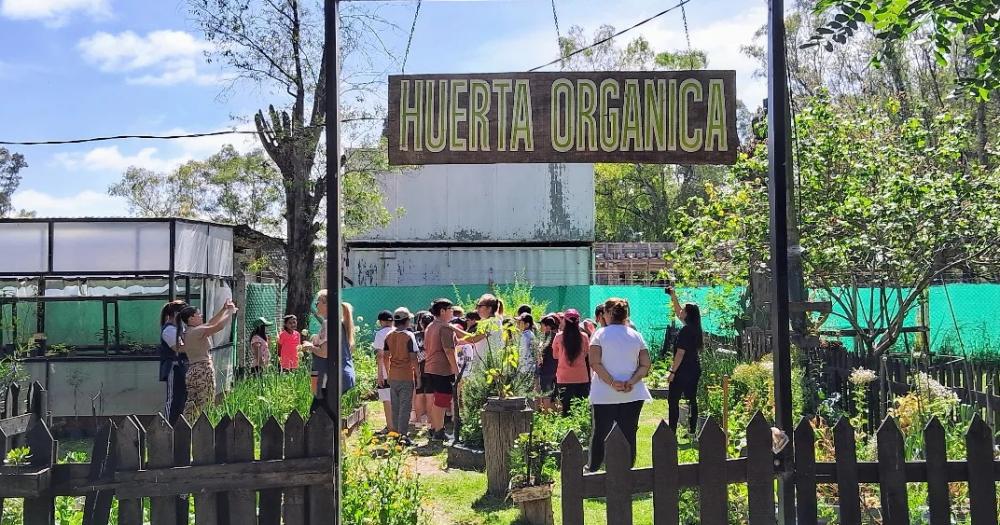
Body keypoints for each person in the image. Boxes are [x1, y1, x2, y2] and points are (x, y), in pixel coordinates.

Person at [588, 297, 652, 471]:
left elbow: (594, 362)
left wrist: (611, 382)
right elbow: (645, 364)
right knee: (629, 433)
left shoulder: (599, 334)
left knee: (600, 432)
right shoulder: (636, 335)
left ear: (608, 313)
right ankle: (627, 470)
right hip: (633, 393)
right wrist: (631, 381)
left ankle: (593, 469)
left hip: (604, 393)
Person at [177, 300, 239, 422]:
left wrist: (224, 309)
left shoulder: (189, 332)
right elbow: (219, 326)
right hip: (203, 371)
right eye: (198, 315)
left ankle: (185, 429)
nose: (201, 316)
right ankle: (203, 430)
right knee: (206, 403)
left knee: (192, 404)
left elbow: (211, 323)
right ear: (191, 319)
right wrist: (230, 312)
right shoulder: (197, 331)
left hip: (192, 371)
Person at [309, 291, 356, 417]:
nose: (316, 305)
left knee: (317, 413)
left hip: (333, 376)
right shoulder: (338, 322)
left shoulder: (328, 323)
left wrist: (309, 347)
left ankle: (328, 436)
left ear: (325, 304)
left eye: (317, 302)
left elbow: (324, 353)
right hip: (343, 374)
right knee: (326, 412)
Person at [665, 287, 702, 435]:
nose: (680, 312)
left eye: (683, 310)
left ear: (688, 314)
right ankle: (693, 430)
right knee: (692, 398)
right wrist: (673, 297)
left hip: (682, 371)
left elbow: (680, 353)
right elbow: (678, 311)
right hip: (694, 369)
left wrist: (672, 372)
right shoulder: (695, 328)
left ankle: (671, 430)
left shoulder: (685, 331)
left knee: (673, 400)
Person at [423, 298, 459, 441]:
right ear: (442, 311)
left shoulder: (431, 326)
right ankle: (439, 431)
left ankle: (434, 427)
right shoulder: (444, 327)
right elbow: (449, 351)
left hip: (430, 367)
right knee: (442, 401)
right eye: (450, 309)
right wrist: (456, 371)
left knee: (437, 400)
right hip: (442, 369)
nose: (452, 312)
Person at [383, 307, 420, 445]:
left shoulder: (389, 336)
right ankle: (403, 436)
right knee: (405, 407)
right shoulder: (409, 336)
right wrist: (418, 376)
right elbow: (413, 359)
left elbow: (385, 357)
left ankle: (396, 433)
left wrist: (388, 373)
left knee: (395, 406)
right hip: (405, 375)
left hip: (393, 375)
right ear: (407, 321)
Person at [552, 309, 591, 416]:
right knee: (581, 408)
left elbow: (555, 356)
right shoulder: (584, 336)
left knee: (565, 409)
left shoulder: (558, 336)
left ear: (564, 320)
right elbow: (586, 354)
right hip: (582, 377)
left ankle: (567, 430)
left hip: (563, 378)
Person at [455, 294, 504, 370]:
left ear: (489, 308)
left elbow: (473, 339)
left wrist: (453, 328)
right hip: (484, 364)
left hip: (488, 366)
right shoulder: (487, 321)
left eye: (480, 306)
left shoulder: (492, 322)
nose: (477, 308)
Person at [159, 300, 188, 426]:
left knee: (182, 398)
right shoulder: (169, 330)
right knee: (173, 399)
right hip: (173, 367)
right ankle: (167, 426)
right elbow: (178, 348)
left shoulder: (180, 328)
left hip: (182, 366)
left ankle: (180, 426)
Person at [373, 310, 395, 434]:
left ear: (381, 322)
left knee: (387, 399)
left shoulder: (381, 334)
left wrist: (379, 374)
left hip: (386, 371)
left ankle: (390, 426)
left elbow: (380, 355)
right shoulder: (400, 332)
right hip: (401, 370)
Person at [411, 310, 434, 428]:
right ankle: (430, 421)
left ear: (421, 323)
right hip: (432, 368)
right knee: (430, 395)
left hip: (418, 368)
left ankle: (419, 420)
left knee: (419, 393)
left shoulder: (415, 335)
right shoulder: (435, 334)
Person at [536, 314, 559, 411]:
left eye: (542, 325)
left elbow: (539, 355)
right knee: (556, 395)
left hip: (546, 371)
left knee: (546, 395)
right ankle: (556, 417)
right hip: (557, 370)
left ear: (548, 326)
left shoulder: (545, 338)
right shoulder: (558, 336)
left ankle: (547, 419)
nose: (540, 327)